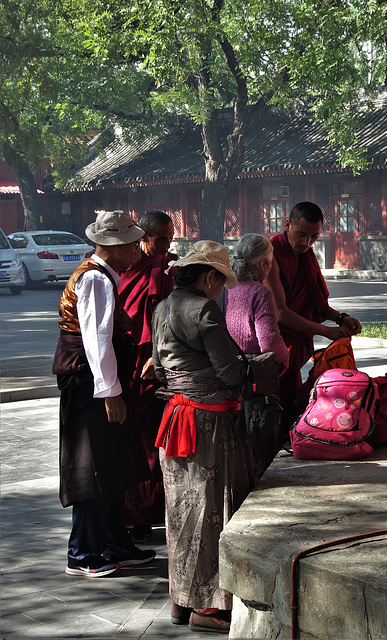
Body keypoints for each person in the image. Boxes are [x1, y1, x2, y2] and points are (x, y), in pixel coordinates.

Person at [151, 240, 254, 634]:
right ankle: (208, 608)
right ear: (208, 276)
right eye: (219, 281)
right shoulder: (204, 308)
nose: (219, 290)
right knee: (211, 511)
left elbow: (160, 368)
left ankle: (180, 600)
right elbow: (228, 372)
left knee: (180, 513)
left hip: (175, 418)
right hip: (207, 426)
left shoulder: (162, 307)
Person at [53, 210, 156, 578]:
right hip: (91, 385)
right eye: (132, 245)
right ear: (115, 246)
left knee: (114, 464)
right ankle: (83, 551)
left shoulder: (102, 275)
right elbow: (96, 341)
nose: (137, 251)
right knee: (93, 466)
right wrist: (110, 392)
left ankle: (113, 541)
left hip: (100, 382)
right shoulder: (95, 279)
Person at [264, 201, 362, 434]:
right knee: (280, 402)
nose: (307, 243)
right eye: (301, 234)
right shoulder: (271, 254)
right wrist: (326, 331)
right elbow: (280, 313)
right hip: (276, 342)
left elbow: (314, 300)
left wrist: (339, 318)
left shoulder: (305, 255)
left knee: (294, 397)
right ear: (287, 225)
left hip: (296, 340)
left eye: (314, 236)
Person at [118, 210, 176, 542]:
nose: (167, 245)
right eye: (161, 239)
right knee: (135, 443)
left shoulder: (161, 270)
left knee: (154, 443)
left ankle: (151, 514)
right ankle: (133, 515)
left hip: (153, 365)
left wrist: (158, 355)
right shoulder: (133, 269)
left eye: (170, 238)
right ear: (144, 238)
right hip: (129, 362)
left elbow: (165, 319)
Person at [224, 233, 289, 475]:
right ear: (263, 264)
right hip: (255, 377)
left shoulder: (225, 288)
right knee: (259, 436)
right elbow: (269, 341)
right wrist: (284, 357)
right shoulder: (260, 293)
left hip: (228, 372)